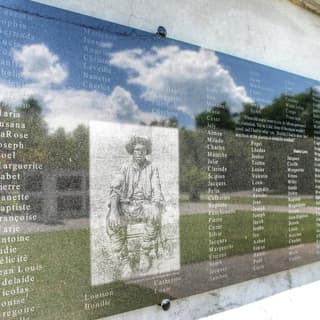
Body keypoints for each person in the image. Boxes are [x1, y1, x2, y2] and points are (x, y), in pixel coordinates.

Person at [106, 136, 165, 276]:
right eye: (137, 150)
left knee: (155, 213)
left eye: (143, 150)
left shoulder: (152, 168)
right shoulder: (124, 168)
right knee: (112, 221)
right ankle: (125, 261)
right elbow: (115, 190)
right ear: (132, 151)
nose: (139, 153)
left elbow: (157, 188)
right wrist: (114, 212)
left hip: (144, 206)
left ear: (146, 152)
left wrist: (156, 203)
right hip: (126, 206)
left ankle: (145, 252)